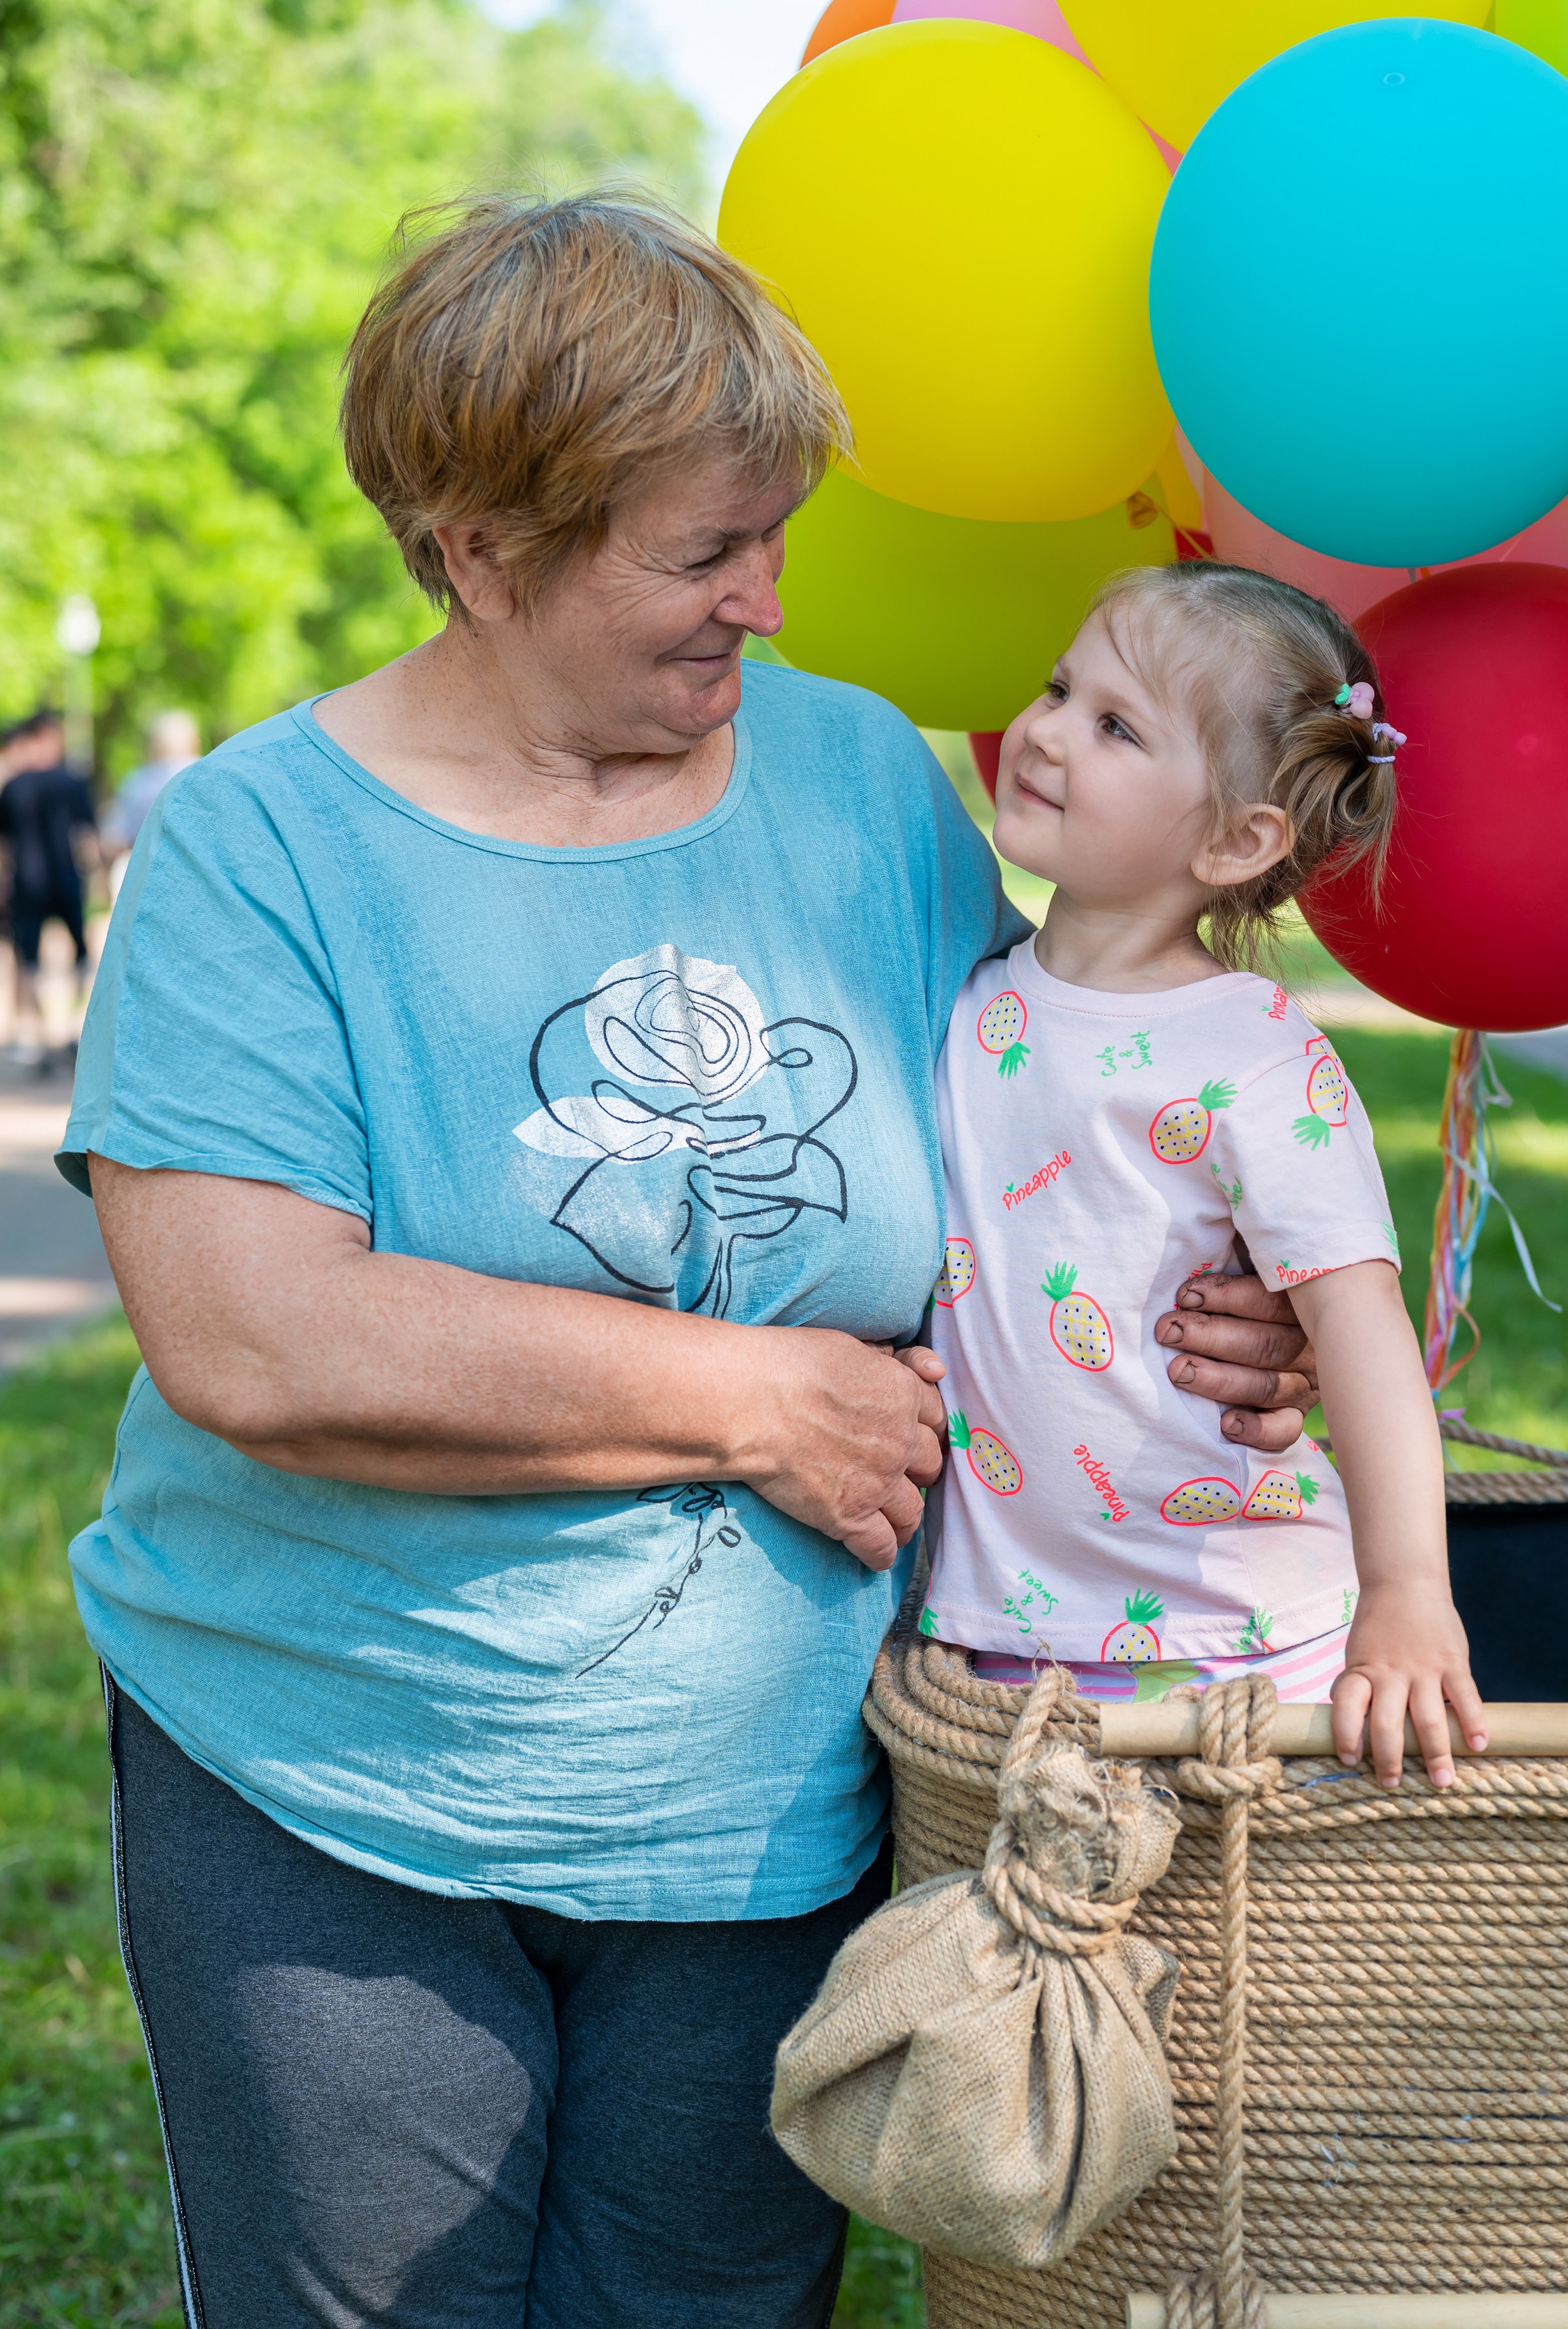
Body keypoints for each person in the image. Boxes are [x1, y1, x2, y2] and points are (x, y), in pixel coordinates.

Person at [56, 191, 1317, 2329]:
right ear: (478, 546)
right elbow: (249, 1332)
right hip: (335, 1784)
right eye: (701, 547)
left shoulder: (850, 780)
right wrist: (749, 1397)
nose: (768, 594)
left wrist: (1217, 1292)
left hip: (777, 1804)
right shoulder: (262, 846)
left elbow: (1027, 1151)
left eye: (773, 532)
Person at [924, 559, 1487, 1790]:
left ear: (1239, 840)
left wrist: (1405, 1596)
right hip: (1005, 1635)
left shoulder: (1253, 1052)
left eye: (1116, 726)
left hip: (1247, 1642)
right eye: (1061, 688)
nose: (1047, 734)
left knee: (1261, 1975)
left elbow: (1359, 1320)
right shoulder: (963, 993)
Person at [0, 710, 97, 1067]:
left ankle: (33, 1038)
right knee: (81, 954)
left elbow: (4, 845)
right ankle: (75, 1029)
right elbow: (88, 836)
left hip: (26, 882)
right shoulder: (72, 781)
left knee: (28, 959)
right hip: (66, 879)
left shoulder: (14, 786)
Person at [100, 709, 202, 902]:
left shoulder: (137, 781)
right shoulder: (204, 774)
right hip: (198, 877)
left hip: (149, 878)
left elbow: (114, 836)